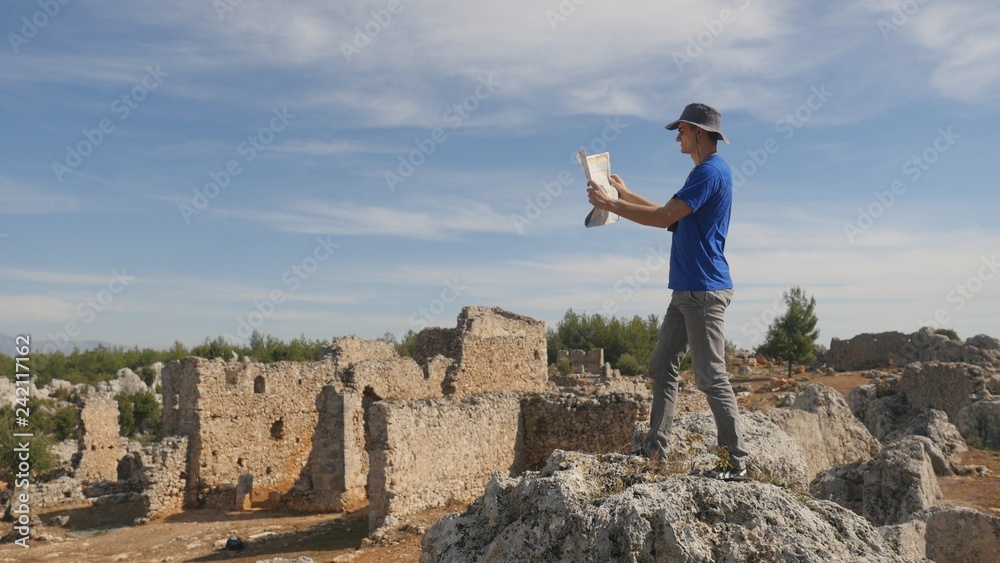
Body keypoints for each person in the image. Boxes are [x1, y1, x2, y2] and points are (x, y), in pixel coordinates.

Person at [586, 102, 749, 481]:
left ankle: (735, 463)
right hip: (686, 292)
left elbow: (662, 218)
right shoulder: (703, 174)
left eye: (681, 130)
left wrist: (611, 204)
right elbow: (667, 214)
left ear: (698, 132)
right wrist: (624, 195)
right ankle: (655, 449)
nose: (677, 136)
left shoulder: (709, 172)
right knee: (661, 366)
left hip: (704, 291)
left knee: (710, 377)